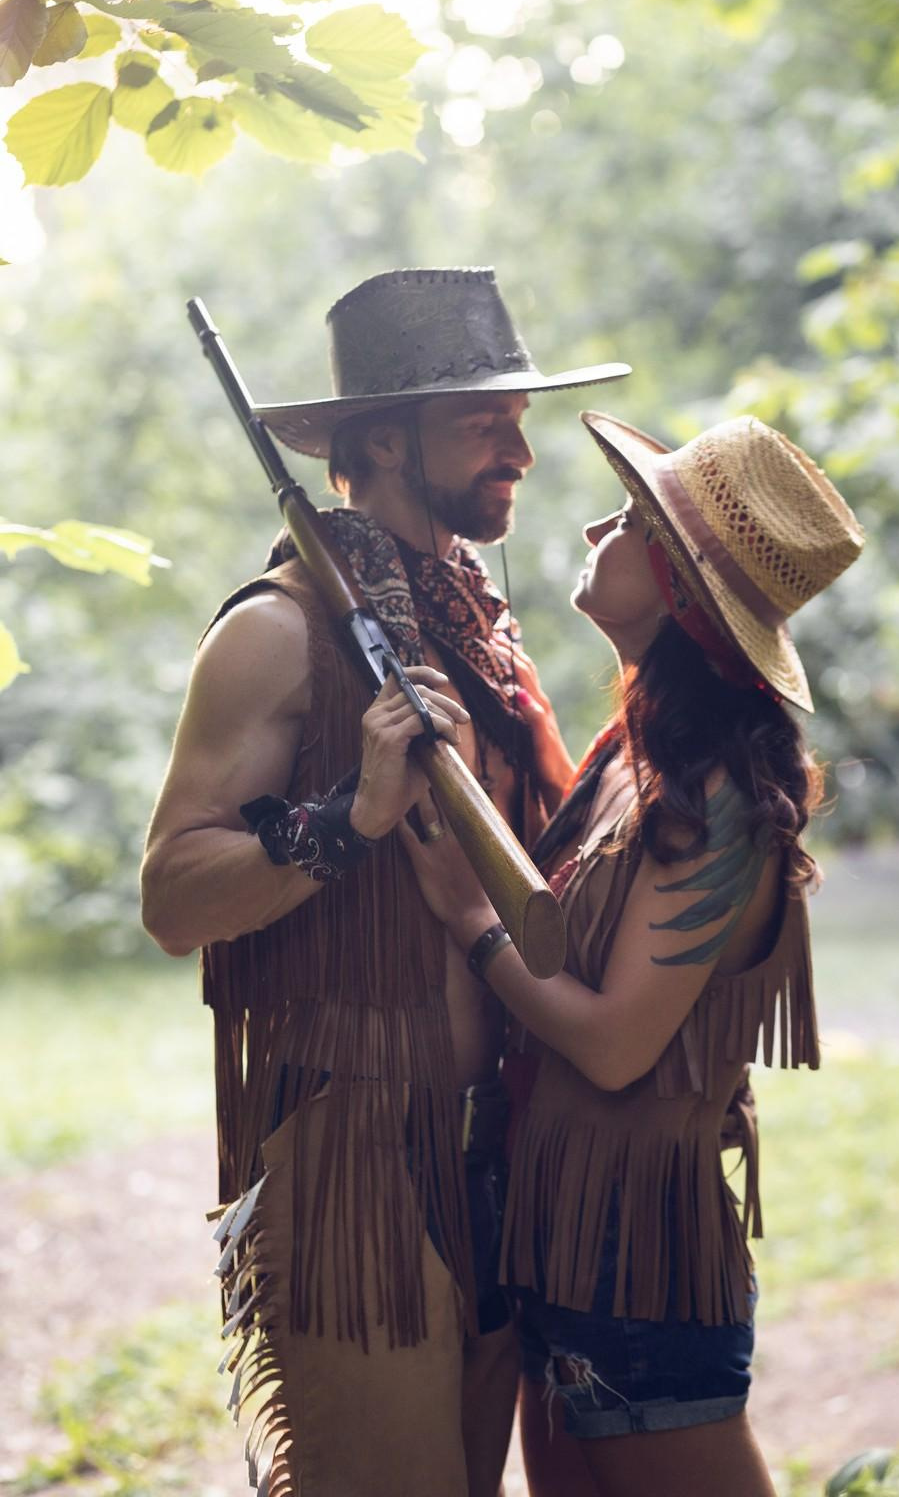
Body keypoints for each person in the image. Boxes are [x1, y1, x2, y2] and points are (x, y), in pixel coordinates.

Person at [139, 267, 629, 1497]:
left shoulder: (476, 632)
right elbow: (171, 896)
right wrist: (350, 818)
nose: (519, 445)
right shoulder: (276, 629)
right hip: (352, 1147)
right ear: (378, 440)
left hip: (497, 1143)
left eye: (514, 415)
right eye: (482, 419)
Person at [391, 409, 864, 1497]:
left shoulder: (721, 801)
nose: (602, 517)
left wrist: (472, 921)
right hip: (558, 1232)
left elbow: (611, 1046)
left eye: (635, 513)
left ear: (677, 585)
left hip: (635, 1255)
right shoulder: (627, 755)